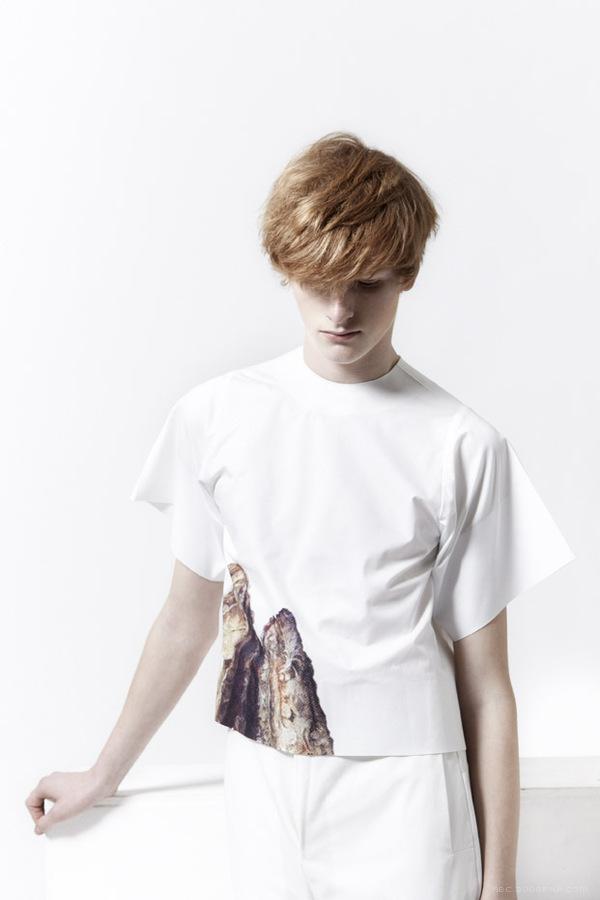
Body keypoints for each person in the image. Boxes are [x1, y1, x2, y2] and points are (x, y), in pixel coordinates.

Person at [26, 132, 576, 900]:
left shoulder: (461, 444)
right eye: (319, 282)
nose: (341, 309)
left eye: (368, 284)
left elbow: (486, 685)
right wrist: (102, 772)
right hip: (263, 778)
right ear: (285, 268)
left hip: (406, 792)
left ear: (408, 275)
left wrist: (501, 882)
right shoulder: (216, 417)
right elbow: (187, 619)